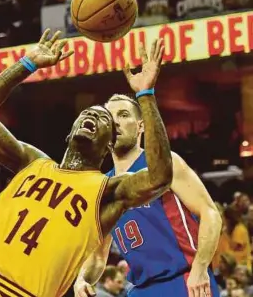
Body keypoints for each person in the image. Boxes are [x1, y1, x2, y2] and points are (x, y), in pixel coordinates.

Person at [0, 30, 173, 297]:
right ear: (70, 133)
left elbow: (159, 177)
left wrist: (146, 94)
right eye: (86, 114)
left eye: (104, 119)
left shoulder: (108, 191)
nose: (92, 117)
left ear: (109, 145)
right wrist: (26, 65)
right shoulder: (32, 162)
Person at [74, 90, 223, 295]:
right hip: (141, 288)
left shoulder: (164, 164)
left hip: (184, 279)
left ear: (141, 126)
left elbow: (211, 214)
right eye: (110, 118)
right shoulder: (102, 187)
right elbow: (98, 255)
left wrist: (200, 269)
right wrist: (83, 279)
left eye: (124, 115)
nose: (115, 122)